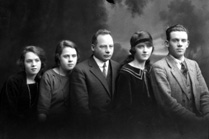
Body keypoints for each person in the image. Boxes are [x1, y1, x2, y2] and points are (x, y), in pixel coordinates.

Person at [150, 24, 209, 138]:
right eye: (175, 40)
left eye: (183, 40)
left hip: (199, 129)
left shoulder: (194, 65)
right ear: (167, 43)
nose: (180, 44)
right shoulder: (159, 67)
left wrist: (207, 115)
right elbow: (167, 103)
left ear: (187, 44)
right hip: (173, 130)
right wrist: (197, 121)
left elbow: (204, 95)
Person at [70, 29, 120, 138]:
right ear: (93, 47)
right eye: (103, 46)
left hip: (117, 130)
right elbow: (82, 108)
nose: (108, 50)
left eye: (111, 46)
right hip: (93, 131)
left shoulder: (118, 67)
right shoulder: (81, 70)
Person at [113, 31, 157, 139]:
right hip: (134, 129)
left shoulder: (150, 70)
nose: (145, 50)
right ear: (133, 49)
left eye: (148, 46)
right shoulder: (126, 73)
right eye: (140, 47)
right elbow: (122, 110)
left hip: (153, 126)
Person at [0, 45, 46, 139]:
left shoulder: (45, 81)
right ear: (23, 63)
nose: (34, 64)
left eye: (37, 60)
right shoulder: (13, 82)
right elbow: (7, 114)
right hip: (16, 131)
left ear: (41, 62)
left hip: (39, 131)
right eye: (29, 61)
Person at [37, 40, 79, 138]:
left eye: (74, 56)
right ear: (58, 57)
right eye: (66, 56)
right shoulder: (49, 76)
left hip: (75, 128)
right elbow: (42, 110)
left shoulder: (80, 75)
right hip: (53, 128)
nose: (70, 60)